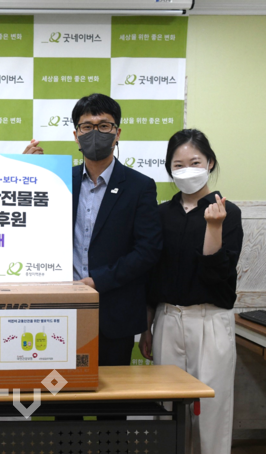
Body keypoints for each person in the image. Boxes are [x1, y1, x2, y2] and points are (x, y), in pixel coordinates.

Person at [25, 93, 162, 367]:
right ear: (76, 136)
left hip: (115, 312)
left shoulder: (140, 186)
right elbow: (28, 227)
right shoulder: (60, 181)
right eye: (87, 126)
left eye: (104, 126)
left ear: (117, 133)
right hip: (59, 309)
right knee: (59, 389)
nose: (95, 133)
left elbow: (148, 251)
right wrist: (31, 173)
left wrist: (97, 281)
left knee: (111, 394)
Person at [139, 129, 243, 454]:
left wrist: (214, 227)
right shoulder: (160, 214)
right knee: (166, 408)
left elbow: (217, 275)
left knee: (212, 410)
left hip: (211, 321)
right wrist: (147, 327)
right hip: (168, 320)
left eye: (195, 162)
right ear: (169, 169)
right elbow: (151, 277)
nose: (187, 170)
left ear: (209, 163)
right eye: (178, 164)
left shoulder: (228, 213)